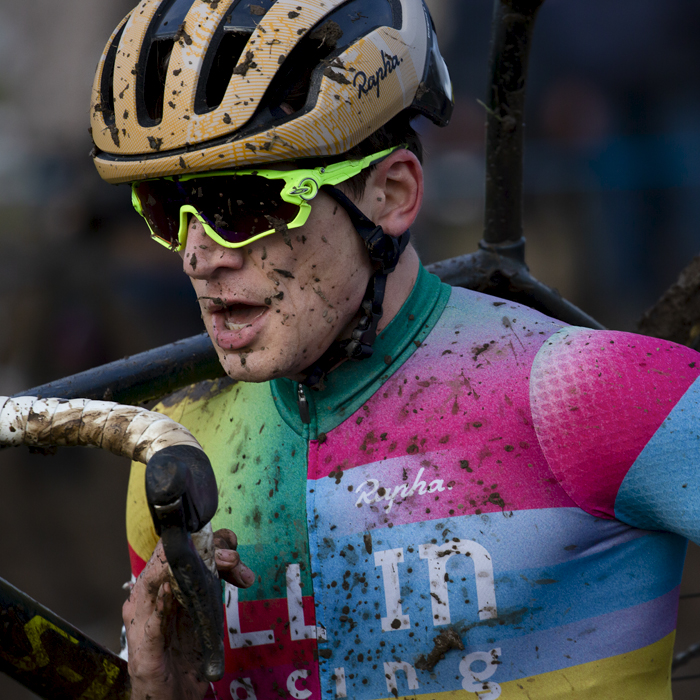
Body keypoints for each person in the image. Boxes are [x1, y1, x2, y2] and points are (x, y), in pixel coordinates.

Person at [90, 1, 700, 699]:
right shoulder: (175, 460)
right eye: (170, 212)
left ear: (391, 193)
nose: (199, 257)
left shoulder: (584, 391)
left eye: (244, 208)